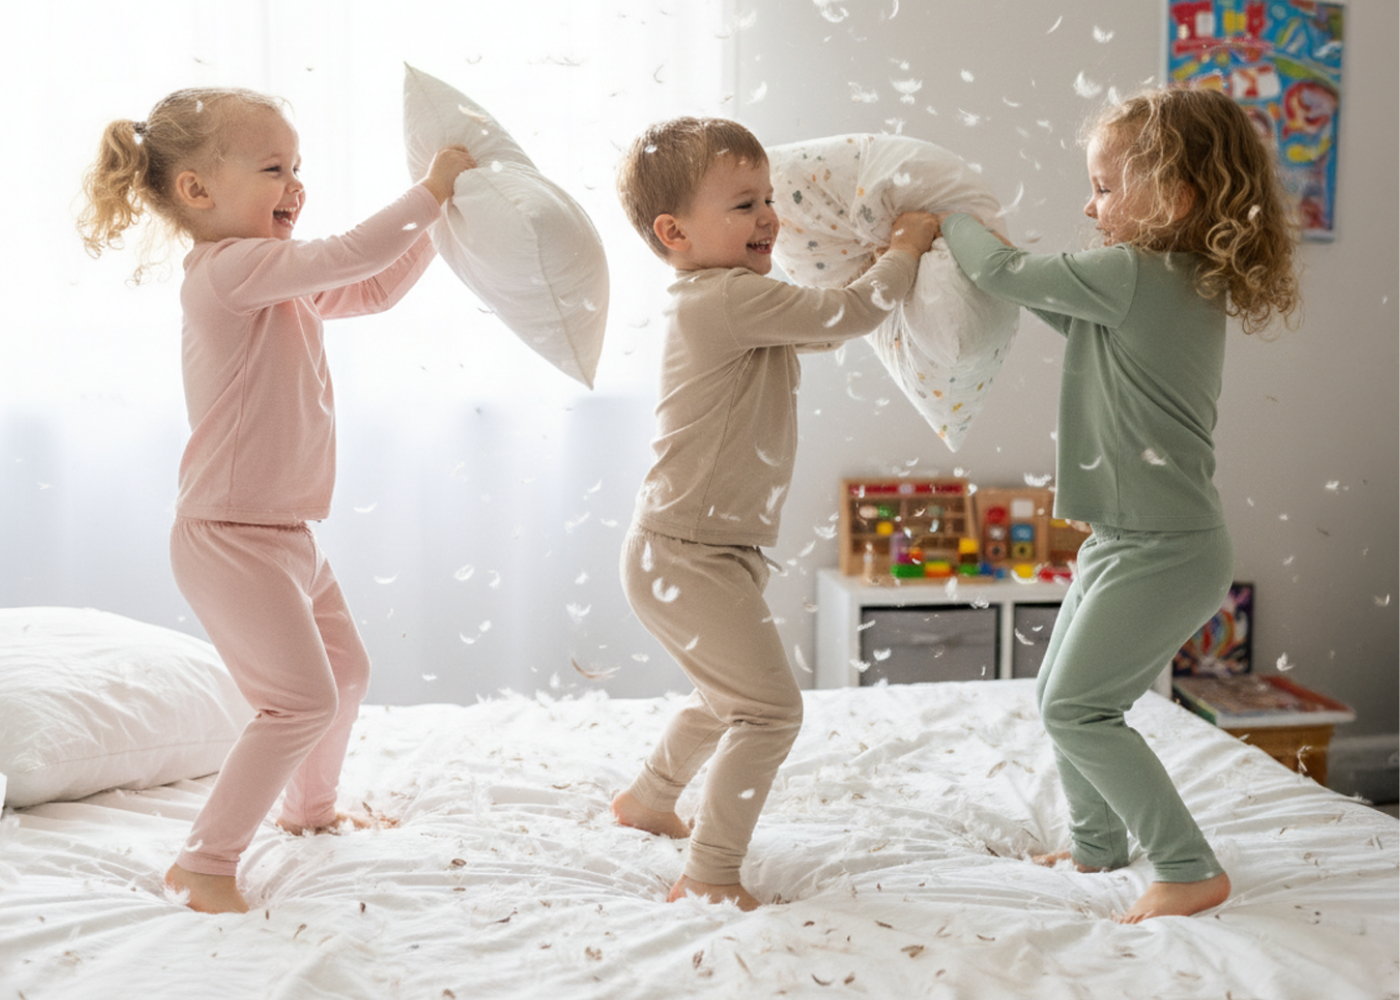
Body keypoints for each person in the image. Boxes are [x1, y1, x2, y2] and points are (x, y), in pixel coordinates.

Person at [78, 86, 477, 914]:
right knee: (297, 700)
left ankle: (309, 811)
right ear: (198, 192)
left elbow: (368, 287)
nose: (296, 184)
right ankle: (205, 861)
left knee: (346, 672)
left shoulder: (274, 279)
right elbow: (351, 254)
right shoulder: (227, 274)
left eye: (299, 168)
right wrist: (430, 191)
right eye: (274, 169)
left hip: (288, 533)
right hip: (229, 537)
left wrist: (447, 225)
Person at [933, 86, 1300, 922]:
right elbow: (1070, 320)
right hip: (1137, 539)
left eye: (1103, 185)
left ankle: (1187, 866)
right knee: (1062, 698)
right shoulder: (1172, 283)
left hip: (1162, 547)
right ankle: (1099, 846)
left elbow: (998, 272)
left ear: (1172, 197)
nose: (1088, 203)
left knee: (1077, 706)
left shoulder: (1133, 272)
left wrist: (948, 220)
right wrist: (1003, 259)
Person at [610, 116, 940, 910]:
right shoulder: (722, 300)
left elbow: (821, 330)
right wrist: (905, 248)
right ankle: (712, 873)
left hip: (696, 549)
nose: (768, 218)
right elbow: (849, 317)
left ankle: (649, 799)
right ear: (674, 231)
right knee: (769, 712)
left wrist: (864, 270)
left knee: (729, 696)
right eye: (743, 205)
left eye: (767, 199)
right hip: (687, 551)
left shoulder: (732, 299)